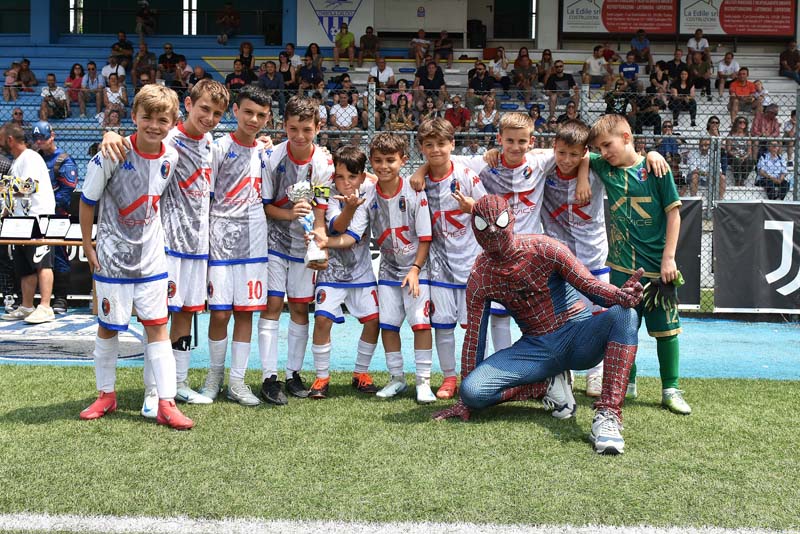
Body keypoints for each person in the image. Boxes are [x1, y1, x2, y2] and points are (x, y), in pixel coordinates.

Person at [432, 194, 644, 455]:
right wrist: (465, 401)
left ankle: (608, 414)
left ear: (511, 218)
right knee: (473, 391)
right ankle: (546, 384)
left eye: (499, 222)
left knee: (625, 314)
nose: (493, 231)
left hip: (577, 337)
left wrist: (619, 296)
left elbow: (589, 285)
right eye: (484, 225)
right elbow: (475, 336)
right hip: (535, 348)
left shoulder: (544, 248)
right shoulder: (481, 276)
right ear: (474, 227)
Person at [100, 78, 231, 412]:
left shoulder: (210, 142)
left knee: (186, 312)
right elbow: (132, 143)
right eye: (204, 109)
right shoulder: (167, 137)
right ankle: (152, 391)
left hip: (198, 246)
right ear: (187, 105)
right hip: (166, 244)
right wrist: (110, 133)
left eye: (216, 113)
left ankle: (178, 383)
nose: (209, 118)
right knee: (157, 319)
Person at [77, 84, 193, 429]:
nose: (154, 126)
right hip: (112, 257)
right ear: (134, 117)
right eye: (147, 118)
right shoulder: (112, 153)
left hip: (152, 259)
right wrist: (88, 244)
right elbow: (87, 201)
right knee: (108, 327)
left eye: (162, 120)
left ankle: (166, 402)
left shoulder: (171, 157)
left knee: (157, 326)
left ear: (172, 122)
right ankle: (106, 395)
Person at [580, 113, 690, 415]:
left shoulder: (656, 169)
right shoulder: (606, 167)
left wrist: (669, 258)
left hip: (658, 270)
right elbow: (582, 155)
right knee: (623, 328)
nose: (604, 153)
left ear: (626, 137)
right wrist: (582, 177)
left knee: (667, 331)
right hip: (621, 270)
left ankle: (671, 389)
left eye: (607, 145)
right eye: (600, 148)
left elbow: (674, 214)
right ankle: (626, 382)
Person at [187, 84, 273, 407]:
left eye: (261, 115)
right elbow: (206, 197)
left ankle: (237, 381)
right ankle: (214, 378)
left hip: (254, 244)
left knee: (245, 313)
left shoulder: (266, 152)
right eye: (248, 112)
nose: (253, 120)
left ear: (268, 118)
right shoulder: (218, 147)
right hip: (221, 242)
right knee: (221, 313)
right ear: (235, 111)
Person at [258, 95, 334, 404]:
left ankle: (293, 374)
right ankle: (269, 377)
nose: (300, 136)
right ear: (283, 127)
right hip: (274, 242)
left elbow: (321, 208)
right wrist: (290, 214)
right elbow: (265, 206)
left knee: (301, 308)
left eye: (306, 129)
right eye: (293, 129)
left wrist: (318, 240)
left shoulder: (324, 162)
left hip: (304, 246)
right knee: (273, 304)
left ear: (318, 127)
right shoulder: (272, 158)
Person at [409, 118, 487, 400]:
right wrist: (420, 170)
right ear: (421, 148)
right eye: (429, 145)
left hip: (471, 264)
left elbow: (490, 212)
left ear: (452, 144)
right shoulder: (418, 183)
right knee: (443, 326)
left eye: (441, 143)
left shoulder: (467, 176)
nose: (436, 150)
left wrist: (473, 207)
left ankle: (473, 375)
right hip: (439, 267)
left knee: (472, 328)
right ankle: (449, 377)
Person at [358, 132, 434, 402]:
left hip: (417, 270)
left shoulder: (414, 191)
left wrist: (415, 268)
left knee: (421, 324)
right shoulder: (368, 193)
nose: (384, 166)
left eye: (390, 160)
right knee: (388, 326)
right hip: (388, 270)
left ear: (403, 160)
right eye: (378, 160)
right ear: (371, 161)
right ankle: (397, 378)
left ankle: (423, 382)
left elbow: (425, 237)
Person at [538, 119, 611, 397]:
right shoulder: (544, 167)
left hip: (593, 258)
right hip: (560, 262)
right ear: (554, 147)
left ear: (584, 153)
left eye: (574, 155)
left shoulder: (596, 169)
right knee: (561, 319)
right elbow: (518, 153)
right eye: (562, 153)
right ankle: (562, 373)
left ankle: (596, 374)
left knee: (598, 317)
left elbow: (617, 155)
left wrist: (583, 172)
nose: (567, 160)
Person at [306, 146, 381, 398]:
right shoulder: (326, 193)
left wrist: (323, 242)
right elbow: (337, 227)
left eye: (352, 176)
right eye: (340, 177)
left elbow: (350, 238)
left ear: (362, 177)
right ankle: (321, 377)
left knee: (373, 321)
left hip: (361, 272)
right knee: (322, 320)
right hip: (331, 273)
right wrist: (348, 208)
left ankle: (360, 373)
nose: (346, 182)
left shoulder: (369, 190)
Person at [0, 123, 56, 324]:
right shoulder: (17, 162)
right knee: (24, 265)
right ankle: (26, 306)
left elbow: (29, 186)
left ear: (9, 140)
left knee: (42, 261)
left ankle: (46, 307)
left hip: (37, 218)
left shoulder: (30, 157)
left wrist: (4, 187)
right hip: (20, 221)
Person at [32, 121, 78, 314]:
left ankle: (60, 298)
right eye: (36, 138)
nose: (39, 142)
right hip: (35, 214)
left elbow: (67, 192)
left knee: (58, 254)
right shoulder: (34, 159)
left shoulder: (63, 160)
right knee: (33, 254)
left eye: (42, 138)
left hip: (57, 215)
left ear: (52, 136)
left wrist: (46, 204)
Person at [726, 116, 755, 186]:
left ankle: (742, 179)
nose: (742, 123)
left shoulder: (747, 135)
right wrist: (737, 156)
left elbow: (749, 150)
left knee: (751, 160)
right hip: (733, 155)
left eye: (744, 122)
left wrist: (744, 157)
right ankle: (737, 180)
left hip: (744, 155)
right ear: (736, 123)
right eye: (740, 122)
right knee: (737, 160)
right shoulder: (731, 135)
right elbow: (728, 150)